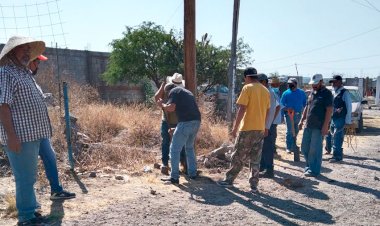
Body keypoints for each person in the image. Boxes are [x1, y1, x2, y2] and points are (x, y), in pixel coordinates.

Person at [0, 36, 51, 225]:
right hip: (20, 137)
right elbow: (3, 106)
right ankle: (26, 218)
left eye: (29, 49)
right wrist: (11, 137)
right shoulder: (6, 73)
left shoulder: (24, 73)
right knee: (24, 178)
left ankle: (31, 211)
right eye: (23, 49)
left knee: (29, 177)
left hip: (33, 135)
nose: (27, 52)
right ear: (12, 52)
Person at [29, 55, 76, 200]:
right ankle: (29, 208)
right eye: (36, 61)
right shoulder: (16, 77)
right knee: (28, 170)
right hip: (28, 132)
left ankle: (56, 191)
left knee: (50, 157)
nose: (38, 64)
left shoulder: (31, 79)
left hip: (40, 130)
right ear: (29, 62)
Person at [217, 67, 270, 193]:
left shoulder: (247, 88)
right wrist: (265, 126)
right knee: (255, 158)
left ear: (247, 77)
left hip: (246, 128)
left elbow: (242, 109)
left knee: (238, 155)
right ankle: (254, 185)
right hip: (259, 129)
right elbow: (267, 111)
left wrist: (235, 127)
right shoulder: (265, 90)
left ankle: (229, 180)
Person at [157, 83, 201, 184]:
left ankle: (174, 177)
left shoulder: (174, 92)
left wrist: (162, 105)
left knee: (174, 149)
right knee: (189, 148)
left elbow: (171, 108)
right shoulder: (187, 92)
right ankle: (192, 174)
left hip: (185, 123)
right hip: (196, 122)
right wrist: (176, 128)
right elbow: (188, 113)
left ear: (168, 91)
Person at [298, 74, 333, 177]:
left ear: (321, 82)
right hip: (308, 125)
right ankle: (309, 166)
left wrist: (326, 126)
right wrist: (301, 120)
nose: (313, 85)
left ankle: (314, 170)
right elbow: (307, 107)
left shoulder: (327, 94)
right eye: (312, 84)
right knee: (304, 147)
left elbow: (329, 110)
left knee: (315, 149)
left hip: (319, 126)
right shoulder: (312, 93)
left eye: (316, 83)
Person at [154, 73, 187, 175]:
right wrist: (163, 85)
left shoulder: (182, 92)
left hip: (179, 122)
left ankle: (183, 164)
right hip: (166, 120)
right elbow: (156, 97)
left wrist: (163, 106)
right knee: (165, 142)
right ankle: (165, 164)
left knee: (181, 144)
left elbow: (172, 107)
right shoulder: (166, 88)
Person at [325, 75, 352, 162]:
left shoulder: (345, 92)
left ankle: (337, 157)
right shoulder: (334, 92)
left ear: (340, 82)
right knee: (333, 137)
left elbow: (349, 106)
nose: (333, 83)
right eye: (332, 82)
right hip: (333, 118)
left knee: (337, 137)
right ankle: (334, 155)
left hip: (340, 118)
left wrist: (348, 120)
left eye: (335, 82)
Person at [259, 74, 280, 178]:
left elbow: (275, 108)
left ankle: (269, 170)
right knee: (263, 146)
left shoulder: (269, 92)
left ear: (264, 82)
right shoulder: (266, 91)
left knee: (268, 147)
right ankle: (262, 167)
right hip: (267, 124)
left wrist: (268, 124)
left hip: (268, 125)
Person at [281, 78, 307, 154]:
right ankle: (289, 147)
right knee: (289, 131)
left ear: (296, 84)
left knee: (296, 130)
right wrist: (287, 109)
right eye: (289, 84)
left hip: (298, 115)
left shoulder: (301, 93)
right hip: (289, 115)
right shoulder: (286, 93)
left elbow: (305, 104)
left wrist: (304, 115)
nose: (290, 85)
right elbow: (281, 104)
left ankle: (293, 145)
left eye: (291, 84)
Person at [269, 77, 283, 155]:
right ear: (273, 84)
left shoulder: (277, 92)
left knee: (273, 134)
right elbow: (277, 106)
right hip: (272, 118)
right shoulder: (272, 92)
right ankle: (272, 150)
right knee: (272, 135)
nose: (278, 85)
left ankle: (272, 149)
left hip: (275, 118)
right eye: (277, 84)